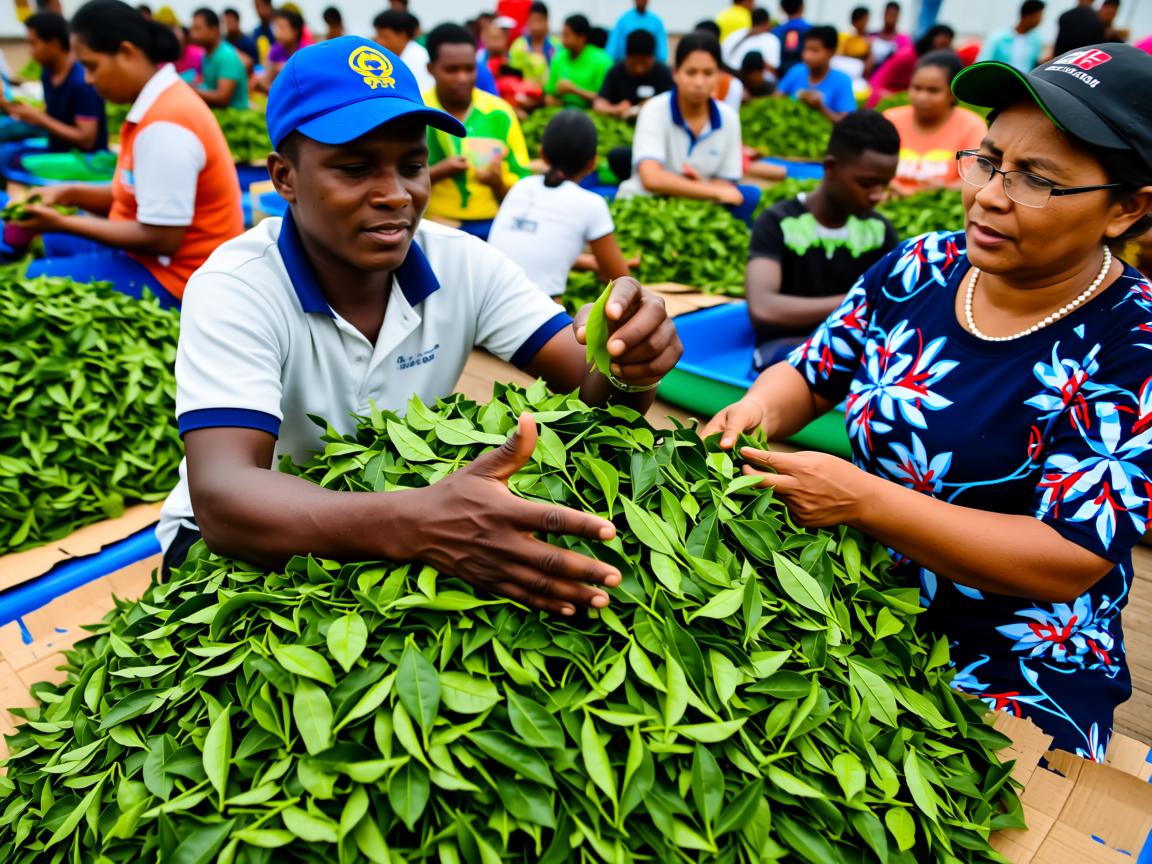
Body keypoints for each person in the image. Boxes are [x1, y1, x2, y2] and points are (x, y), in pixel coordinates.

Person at [705, 41, 1152, 760]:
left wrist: (865, 502)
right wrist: (756, 410)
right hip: (857, 602)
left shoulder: (1134, 344)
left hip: (1016, 661)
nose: (989, 195)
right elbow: (815, 370)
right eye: (988, 160)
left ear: (1126, 208)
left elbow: (1070, 553)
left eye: (1036, 180)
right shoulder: (922, 266)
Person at [158, 35, 683, 616]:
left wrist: (628, 358)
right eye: (355, 169)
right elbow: (225, 499)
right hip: (249, 541)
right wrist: (420, 521)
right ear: (284, 178)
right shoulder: (237, 286)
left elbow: (591, 395)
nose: (395, 194)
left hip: (398, 509)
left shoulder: (463, 262)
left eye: (412, 165)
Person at [11, 0, 243, 308]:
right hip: (156, 256)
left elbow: (162, 238)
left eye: (92, 66)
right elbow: (135, 192)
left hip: (180, 276)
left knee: (29, 278)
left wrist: (60, 222)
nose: (89, 80)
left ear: (126, 52)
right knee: (53, 243)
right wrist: (69, 193)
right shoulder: (157, 104)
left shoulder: (166, 123)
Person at [746, 110, 900, 369]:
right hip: (784, 349)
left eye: (884, 185)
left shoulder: (879, 229)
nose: (877, 195)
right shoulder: (777, 222)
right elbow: (764, 309)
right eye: (867, 183)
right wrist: (862, 299)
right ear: (830, 168)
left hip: (855, 345)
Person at [490, 110, 631, 298]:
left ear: (542, 154)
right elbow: (620, 279)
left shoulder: (521, 187)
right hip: (536, 311)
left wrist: (589, 262)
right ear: (593, 162)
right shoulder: (591, 204)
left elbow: (535, 244)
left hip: (486, 297)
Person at [618, 33, 757, 220]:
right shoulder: (654, 110)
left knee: (750, 196)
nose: (699, 83)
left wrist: (701, 186)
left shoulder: (729, 118)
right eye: (691, 72)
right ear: (675, 74)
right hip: (649, 207)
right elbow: (651, 178)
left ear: (719, 75)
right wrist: (708, 189)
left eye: (708, 73)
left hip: (700, 209)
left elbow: (727, 184)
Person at [423, 24, 531, 241]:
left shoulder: (499, 113)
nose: (462, 78)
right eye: (452, 70)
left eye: (469, 68)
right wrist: (439, 171)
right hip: (433, 227)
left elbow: (524, 184)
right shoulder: (417, 114)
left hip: (492, 226)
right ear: (430, 68)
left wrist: (497, 182)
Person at [882, 51, 987, 196]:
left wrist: (943, 190)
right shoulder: (890, 119)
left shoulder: (972, 126)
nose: (922, 97)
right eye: (917, 88)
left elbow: (978, 178)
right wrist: (893, 186)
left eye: (933, 91)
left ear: (952, 93)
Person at [0, 12, 107, 153]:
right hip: (58, 152)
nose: (30, 53)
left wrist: (41, 119)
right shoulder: (48, 74)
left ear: (54, 44)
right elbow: (54, 118)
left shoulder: (81, 82)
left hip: (86, 161)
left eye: (33, 44)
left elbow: (87, 140)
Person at [777, 25, 857, 123]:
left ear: (831, 52)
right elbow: (776, 99)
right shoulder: (797, 71)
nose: (807, 56)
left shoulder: (842, 81)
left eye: (814, 50)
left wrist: (821, 108)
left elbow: (845, 122)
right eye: (805, 49)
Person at [868, 23, 954, 107]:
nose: (944, 50)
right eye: (942, 44)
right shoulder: (908, 56)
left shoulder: (923, 58)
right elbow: (878, 81)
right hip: (882, 94)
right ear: (930, 41)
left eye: (947, 46)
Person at [594, 29, 673, 119]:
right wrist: (614, 109)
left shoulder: (664, 73)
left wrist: (654, 106)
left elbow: (675, 103)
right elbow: (599, 103)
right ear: (626, 57)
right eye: (634, 63)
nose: (639, 69)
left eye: (644, 63)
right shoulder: (616, 71)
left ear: (653, 58)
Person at [545, 14, 614, 109]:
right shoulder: (558, 57)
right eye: (562, 34)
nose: (562, 39)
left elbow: (604, 99)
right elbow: (549, 95)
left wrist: (575, 90)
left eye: (567, 35)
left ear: (581, 37)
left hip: (592, 112)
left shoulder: (602, 60)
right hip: (561, 111)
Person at [189, 8, 249, 110]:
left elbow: (223, 98)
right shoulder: (206, 54)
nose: (193, 34)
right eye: (192, 29)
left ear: (214, 29)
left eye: (198, 29)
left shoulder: (226, 56)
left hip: (235, 117)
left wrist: (192, 90)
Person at [373, 11, 433, 96]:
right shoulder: (402, 56)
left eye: (383, 36)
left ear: (402, 35)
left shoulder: (418, 59)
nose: (378, 41)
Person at [979, 2, 1046, 72]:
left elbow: (1034, 65)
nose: (1041, 20)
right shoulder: (998, 37)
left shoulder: (1036, 40)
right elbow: (983, 62)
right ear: (1029, 16)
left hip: (1022, 82)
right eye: (1040, 16)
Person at [508, 2, 556, 88]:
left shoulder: (556, 46)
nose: (536, 26)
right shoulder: (518, 46)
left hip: (551, 96)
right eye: (533, 20)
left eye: (539, 20)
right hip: (524, 96)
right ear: (528, 21)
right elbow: (513, 76)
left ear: (546, 20)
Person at [605, 0, 669, 65]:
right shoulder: (623, 21)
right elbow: (612, 50)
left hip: (650, 69)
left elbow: (662, 53)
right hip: (626, 68)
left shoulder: (656, 22)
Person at [256, 8, 304, 92]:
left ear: (295, 31)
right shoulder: (274, 50)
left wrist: (281, 67)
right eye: (275, 27)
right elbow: (266, 79)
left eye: (282, 28)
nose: (277, 33)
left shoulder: (304, 51)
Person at [722, 7, 781, 74]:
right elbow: (773, 70)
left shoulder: (733, 35)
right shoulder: (770, 39)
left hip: (729, 75)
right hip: (754, 79)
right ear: (767, 23)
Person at [773, 0, 811, 77]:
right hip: (805, 76)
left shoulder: (775, 31)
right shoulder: (812, 31)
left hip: (779, 76)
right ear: (802, 7)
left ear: (782, 9)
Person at [871, 1, 910, 69]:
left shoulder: (904, 40)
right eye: (888, 14)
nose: (890, 18)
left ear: (898, 16)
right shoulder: (872, 35)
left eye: (893, 15)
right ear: (883, 14)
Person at [252, 0, 274, 66]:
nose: (258, 11)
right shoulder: (257, 32)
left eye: (260, 6)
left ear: (269, 6)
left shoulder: (280, 27)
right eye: (256, 7)